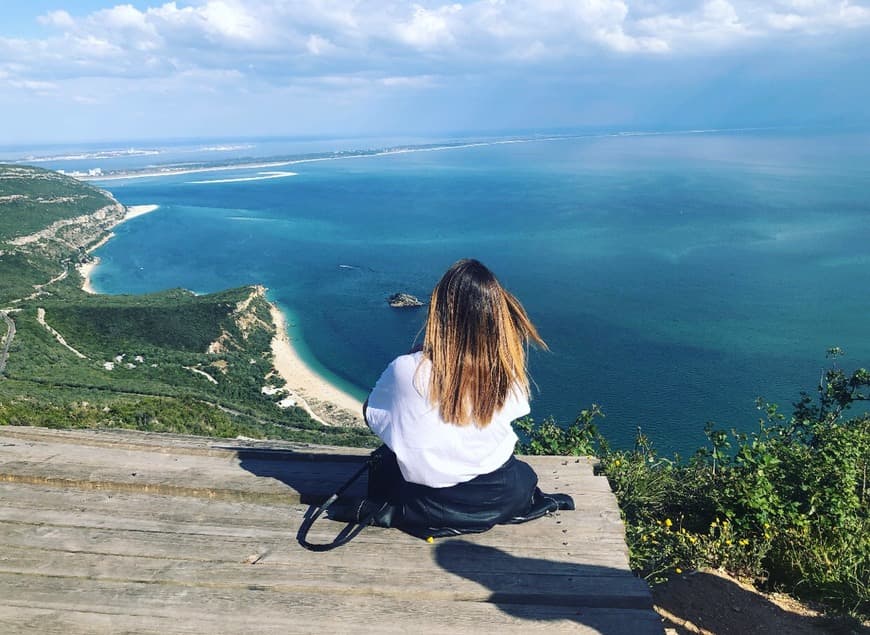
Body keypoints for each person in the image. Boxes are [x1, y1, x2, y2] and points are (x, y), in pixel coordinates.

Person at [332, 258, 573, 538]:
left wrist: (418, 358)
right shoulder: (507, 369)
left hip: (429, 503)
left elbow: (371, 414)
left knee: (385, 470)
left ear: (439, 312)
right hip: (500, 496)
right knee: (524, 473)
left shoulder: (407, 369)